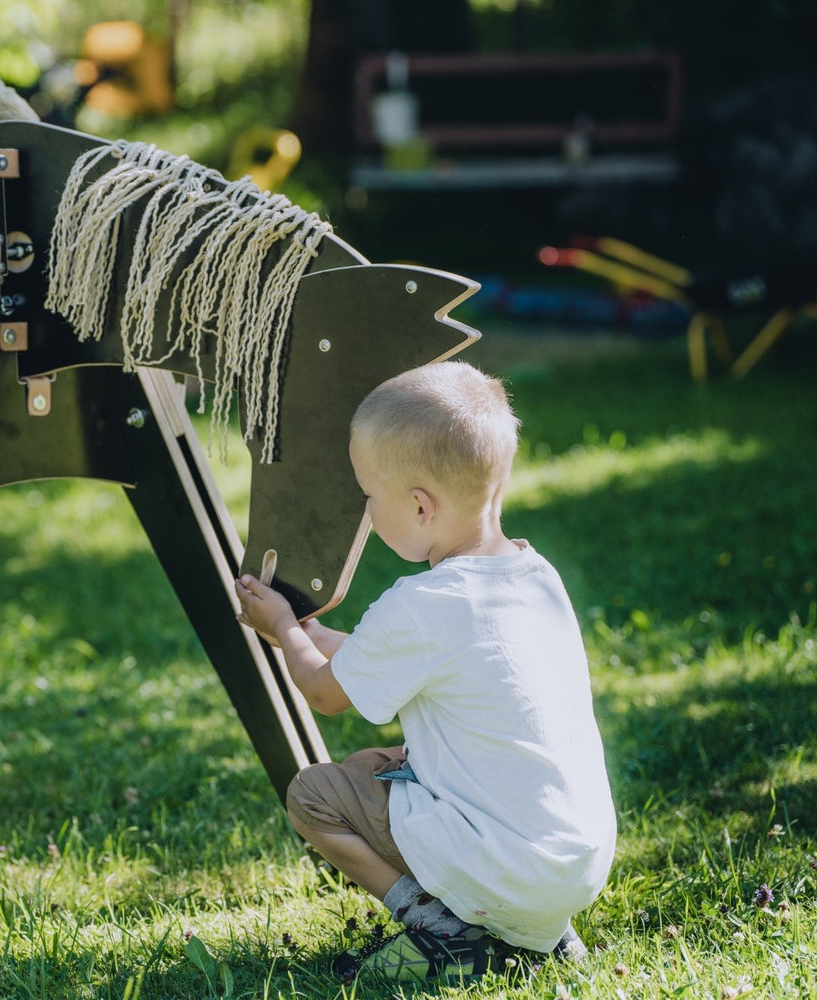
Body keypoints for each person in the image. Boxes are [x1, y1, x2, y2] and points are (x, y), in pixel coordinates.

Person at [234, 360, 615, 986]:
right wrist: (309, 629)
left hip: (510, 865)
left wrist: (281, 630)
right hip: (572, 862)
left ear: (417, 507)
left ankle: (445, 928)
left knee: (316, 796)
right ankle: (534, 930)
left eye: (368, 495)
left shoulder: (421, 603)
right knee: (372, 767)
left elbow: (326, 694)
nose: (365, 509)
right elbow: (392, 656)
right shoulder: (532, 575)